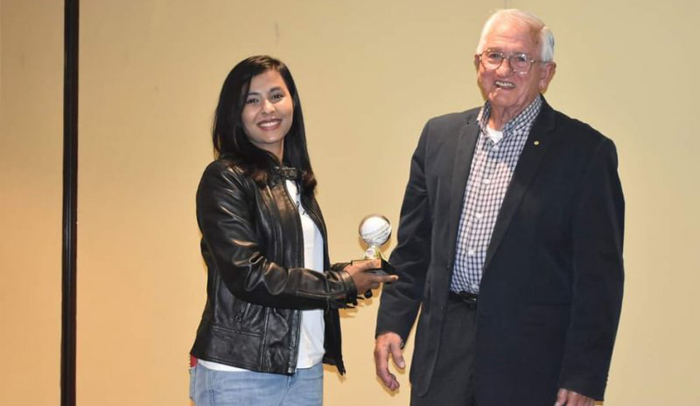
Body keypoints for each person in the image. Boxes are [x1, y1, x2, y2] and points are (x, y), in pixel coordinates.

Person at [374, 9, 624, 406]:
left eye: (521, 59)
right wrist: (392, 324)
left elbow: (599, 279)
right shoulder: (439, 137)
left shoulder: (585, 153)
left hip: (531, 364)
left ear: (546, 74)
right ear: (478, 64)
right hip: (443, 355)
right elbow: (414, 249)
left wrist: (584, 375)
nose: (504, 69)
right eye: (494, 56)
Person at [189, 55, 396, 406]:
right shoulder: (224, 178)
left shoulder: (296, 182)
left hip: (304, 368)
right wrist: (340, 284)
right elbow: (249, 275)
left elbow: (294, 271)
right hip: (240, 371)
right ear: (235, 113)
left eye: (276, 96)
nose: (267, 108)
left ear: (293, 103)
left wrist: (350, 273)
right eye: (252, 100)